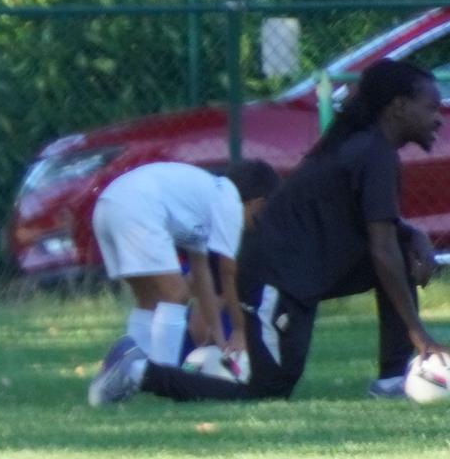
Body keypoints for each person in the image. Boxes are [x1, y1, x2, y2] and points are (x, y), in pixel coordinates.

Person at [138, 62, 444, 404]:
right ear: (399, 107)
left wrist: (413, 236)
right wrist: (419, 334)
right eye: (431, 107)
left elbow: (381, 230)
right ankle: (140, 372)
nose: (439, 118)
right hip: (274, 279)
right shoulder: (372, 153)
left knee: (400, 257)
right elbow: (382, 249)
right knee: (268, 391)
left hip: (299, 274)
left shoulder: (369, 150)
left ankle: (391, 381)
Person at [85, 156, 275, 404]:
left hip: (110, 205)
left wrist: (218, 339)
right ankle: (164, 379)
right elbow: (228, 271)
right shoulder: (229, 202)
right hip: (137, 207)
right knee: (177, 294)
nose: (258, 225)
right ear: (258, 203)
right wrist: (239, 329)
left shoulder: (203, 204)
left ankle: (129, 374)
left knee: (148, 300)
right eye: (262, 215)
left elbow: (202, 274)